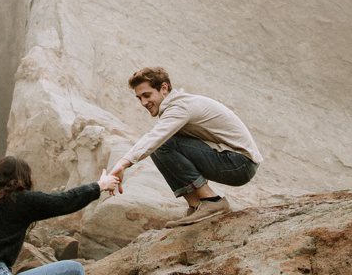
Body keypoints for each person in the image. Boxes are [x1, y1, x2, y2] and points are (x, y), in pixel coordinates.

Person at [107, 66, 262, 225]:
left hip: (240, 163)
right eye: (139, 98)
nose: (144, 102)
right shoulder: (177, 105)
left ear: (164, 88)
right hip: (235, 161)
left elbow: (154, 138)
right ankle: (196, 206)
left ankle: (212, 201)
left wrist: (122, 164)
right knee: (162, 143)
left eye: (147, 95)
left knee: (161, 143)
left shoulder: (179, 107)